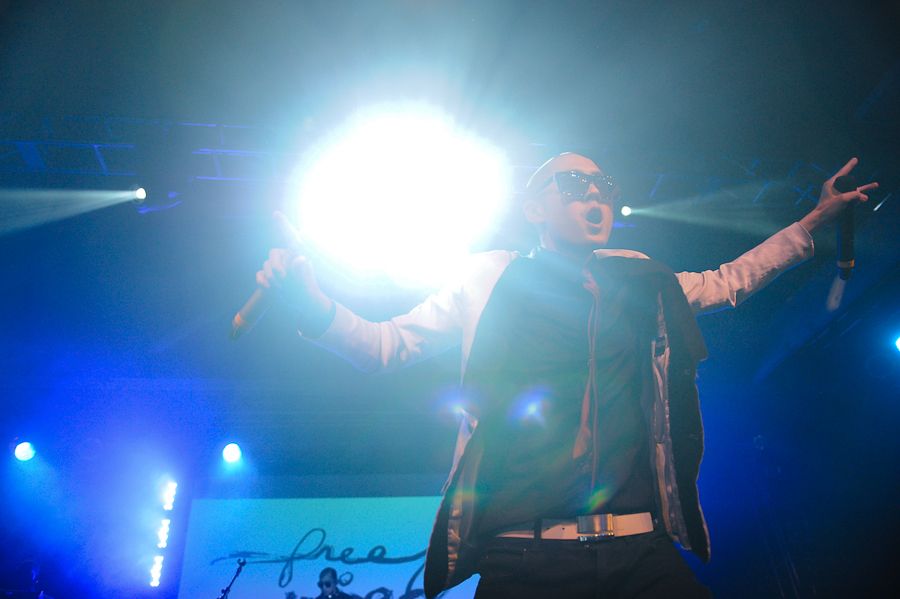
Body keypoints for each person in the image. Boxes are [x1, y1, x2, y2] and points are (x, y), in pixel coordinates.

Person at [256, 153, 876, 598]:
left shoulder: (639, 276)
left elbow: (725, 283)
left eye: (604, 185)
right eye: (575, 184)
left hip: (639, 550)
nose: (595, 196)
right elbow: (385, 345)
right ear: (534, 207)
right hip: (524, 558)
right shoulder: (486, 277)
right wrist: (311, 303)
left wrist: (812, 224)